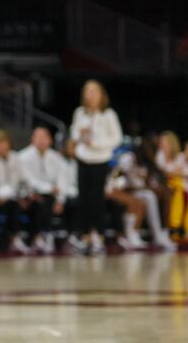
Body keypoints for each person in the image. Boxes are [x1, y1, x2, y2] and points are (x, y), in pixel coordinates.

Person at [69, 80, 122, 254]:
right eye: (87, 91)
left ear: (101, 95)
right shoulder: (80, 113)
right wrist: (80, 136)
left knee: (97, 199)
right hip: (83, 158)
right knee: (83, 197)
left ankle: (98, 235)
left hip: (100, 159)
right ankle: (83, 235)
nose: (90, 95)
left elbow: (116, 139)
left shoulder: (108, 115)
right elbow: (74, 133)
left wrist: (96, 143)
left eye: (94, 91)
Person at [106, 150, 177, 250]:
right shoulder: (128, 159)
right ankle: (130, 234)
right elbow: (118, 179)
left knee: (147, 198)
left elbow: (139, 184)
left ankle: (149, 234)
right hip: (115, 189)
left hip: (130, 190)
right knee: (136, 201)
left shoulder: (145, 164)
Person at [16, 127, 65, 254]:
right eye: (39, 137)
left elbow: (61, 181)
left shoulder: (56, 157)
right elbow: (28, 180)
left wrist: (60, 200)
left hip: (50, 195)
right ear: (32, 139)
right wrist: (48, 189)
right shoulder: (23, 156)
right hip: (28, 193)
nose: (42, 141)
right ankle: (39, 236)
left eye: (45, 137)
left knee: (53, 201)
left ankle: (46, 236)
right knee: (41, 202)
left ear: (50, 140)